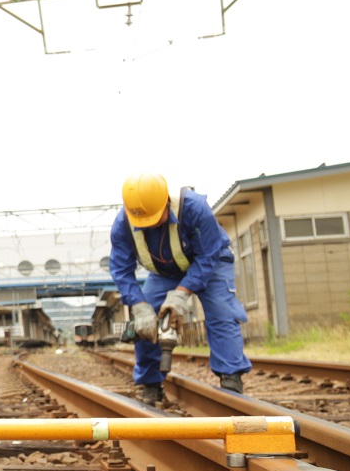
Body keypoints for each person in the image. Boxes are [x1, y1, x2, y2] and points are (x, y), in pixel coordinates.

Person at [108, 172, 252, 404]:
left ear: (166, 202)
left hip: (210, 263)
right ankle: (151, 383)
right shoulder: (122, 225)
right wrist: (139, 305)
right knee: (146, 322)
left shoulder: (194, 208)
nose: (151, 224)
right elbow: (121, 270)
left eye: (155, 218)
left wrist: (182, 293)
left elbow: (208, 255)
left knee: (221, 311)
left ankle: (231, 378)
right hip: (164, 272)